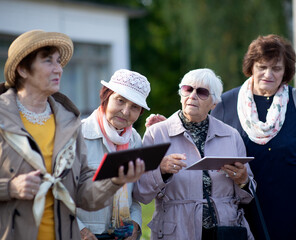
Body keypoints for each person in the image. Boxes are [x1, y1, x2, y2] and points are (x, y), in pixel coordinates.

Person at [0, 30, 144, 240]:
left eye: (59, 62)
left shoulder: (68, 121)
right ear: (22, 69)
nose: (59, 69)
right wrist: (10, 187)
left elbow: (84, 195)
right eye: (48, 61)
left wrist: (114, 181)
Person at [211, 34, 296, 240]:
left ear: (286, 72)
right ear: (251, 67)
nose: (268, 74)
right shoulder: (225, 104)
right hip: (243, 214)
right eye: (261, 67)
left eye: (276, 68)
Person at [133, 68, 255, 240]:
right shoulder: (157, 134)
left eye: (202, 92)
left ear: (214, 103)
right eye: (187, 89)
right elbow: (140, 193)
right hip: (177, 230)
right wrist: (160, 170)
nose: (192, 95)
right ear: (181, 94)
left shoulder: (231, 135)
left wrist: (243, 181)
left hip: (225, 229)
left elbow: (247, 196)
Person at [77, 69, 151, 240]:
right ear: (105, 97)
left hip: (121, 235)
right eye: (120, 100)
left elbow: (133, 194)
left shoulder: (134, 140)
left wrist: (135, 224)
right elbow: (59, 194)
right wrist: (79, 230)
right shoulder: (77, 135)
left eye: (134, 107)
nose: (125, 112)